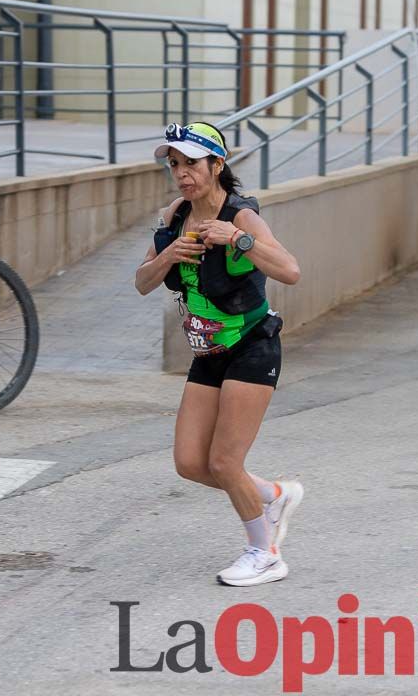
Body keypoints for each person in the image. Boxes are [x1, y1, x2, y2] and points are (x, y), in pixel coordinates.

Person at [135, 121, 303, 587]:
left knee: (225, 463)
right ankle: (272, 494)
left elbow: (290, 270)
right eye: (174, 164)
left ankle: (264, 553)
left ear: (217, 164)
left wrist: (237, 241)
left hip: (253, 346)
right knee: (190, 463)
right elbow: (142, 282)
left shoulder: (241, 217)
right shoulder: (175, 216)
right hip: (208, 352)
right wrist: (167, 257)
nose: (183, 173)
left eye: (191, 162)